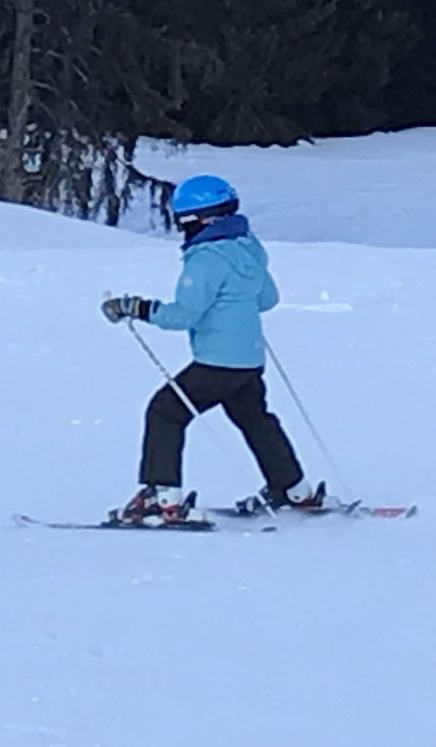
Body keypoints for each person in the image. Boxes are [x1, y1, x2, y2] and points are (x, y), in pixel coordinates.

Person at [99, 173, 322, 524]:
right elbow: (267, 299)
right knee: (255, 419)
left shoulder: (204, 258)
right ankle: (293, 489)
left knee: (166, 410)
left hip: (217, 362)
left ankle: (164, 497)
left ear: (194, 219)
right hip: (249, 360)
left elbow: (183, 315)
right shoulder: (248, 246)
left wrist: (136, 307)